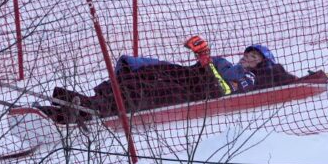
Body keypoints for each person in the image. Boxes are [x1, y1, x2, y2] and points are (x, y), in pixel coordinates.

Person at [38, 36, 297, 124]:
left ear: (264, 62)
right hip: (191, 79)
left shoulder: (254, 76)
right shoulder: (225, 62)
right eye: (246, 54)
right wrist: (206, 62)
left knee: (152, 91)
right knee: (144, 75)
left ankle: (86, 111)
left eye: (253, 57)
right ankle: (83, 101)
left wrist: (205, 59)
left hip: (198, 94)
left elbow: (223, 91)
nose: (246, 58)